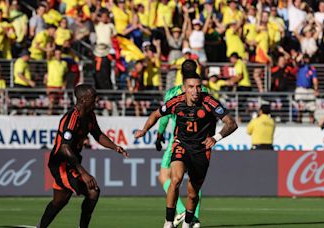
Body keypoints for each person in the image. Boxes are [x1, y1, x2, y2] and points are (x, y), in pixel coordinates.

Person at [135, 68, 238, 228]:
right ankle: (169, 222)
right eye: (191, 87)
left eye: (198, 87)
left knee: (193, 192)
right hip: (181, 144)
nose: (195, 91)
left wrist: (216, 138)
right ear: (184, 88)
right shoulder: (176, 101)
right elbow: (156, 114)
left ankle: (188, 222)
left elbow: (231, 123)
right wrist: (145, 129)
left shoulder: (210, 102)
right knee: (175, 180)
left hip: (201, 149)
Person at [38, 84, 129, 228]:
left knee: (59, 201)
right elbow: (64, 147)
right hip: (61, 164)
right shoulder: (71, 119)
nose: (97, 100)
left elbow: (97, 134)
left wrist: (114, 147)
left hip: (71, 163)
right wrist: (83, 173)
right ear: (84, 99)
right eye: (94, 97)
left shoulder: (90, 116)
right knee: (93, 191)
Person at [155, 60, 208, 228]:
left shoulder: (172, 93)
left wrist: (159, 135)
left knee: (165, 176)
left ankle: (181, 211)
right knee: (195, 181)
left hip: (178, 139)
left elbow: (163, 117)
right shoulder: (204, 91)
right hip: (199, 140)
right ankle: (194, 218)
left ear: (181, 73)